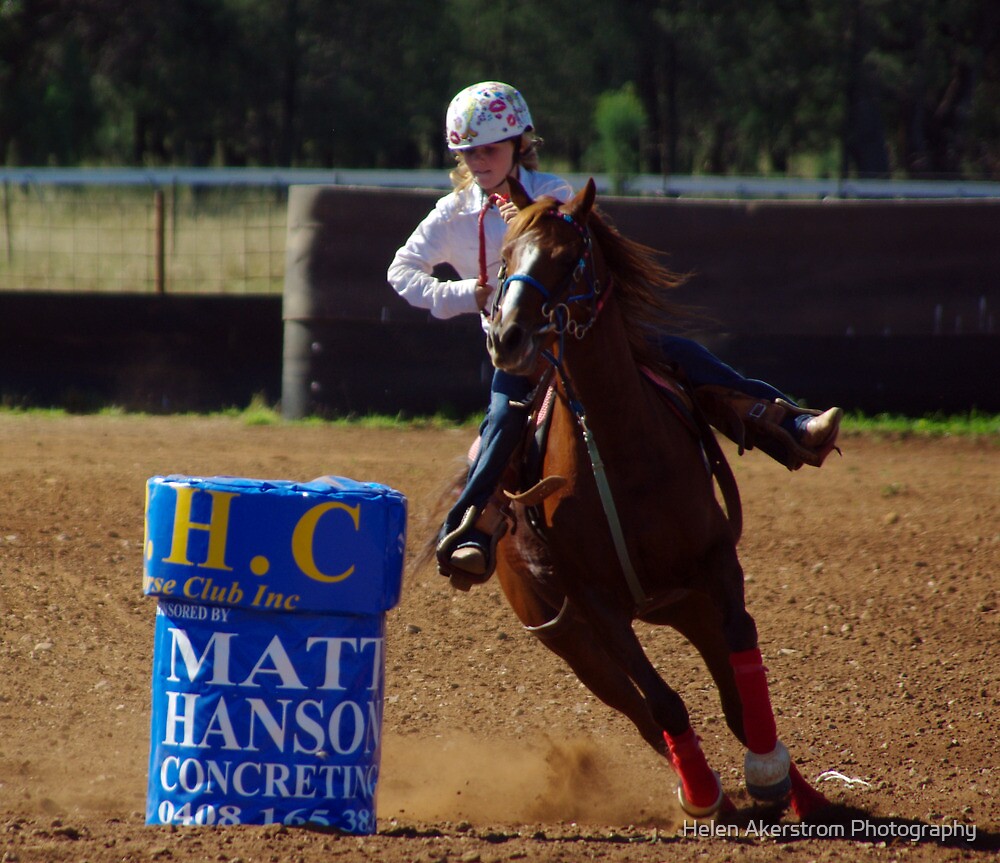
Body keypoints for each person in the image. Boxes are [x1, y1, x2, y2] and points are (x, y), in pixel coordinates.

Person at [387, 81, 842, 583]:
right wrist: (466, 293)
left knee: (683, 356)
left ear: (520, 144)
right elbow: (401, 272)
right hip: (523, 357)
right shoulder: (452, 215)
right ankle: (469, 530)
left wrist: (536, 221)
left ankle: (785, 424)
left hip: (585, 341)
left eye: (489, 149)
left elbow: (586, 256)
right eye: (467, 152)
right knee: (500, 423)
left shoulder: (554, 194)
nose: (478, 161)